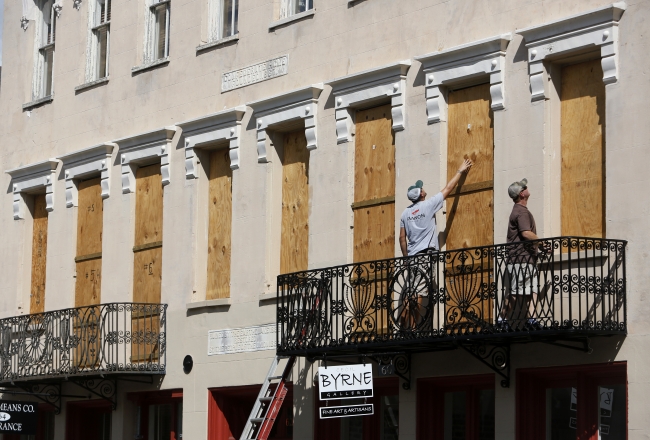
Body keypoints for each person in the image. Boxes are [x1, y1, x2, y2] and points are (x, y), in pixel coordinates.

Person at [396, 159, 473, 329]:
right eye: (421, 188)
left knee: (412, 291)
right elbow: (448, 189)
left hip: (413, 256)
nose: (424, 189)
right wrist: (460, 171)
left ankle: (407, 326)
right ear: (421, 194)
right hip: (425, 255)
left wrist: (406, 258)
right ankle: (411, 328)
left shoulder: (405, 213)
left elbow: (402, 238)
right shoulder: (428, 205)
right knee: (419, 294)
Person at [500, 178, 545, 329]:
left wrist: (540, 247)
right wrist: (543, 242)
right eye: (525, 187)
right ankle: (502, 320)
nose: (527, 188)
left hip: (526, 258)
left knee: (533, 290)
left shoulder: (520, 211)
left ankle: (531, 320)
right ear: (522, 194)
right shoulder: (521, 212)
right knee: (515, 292)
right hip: (520, 259)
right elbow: (526, 233)